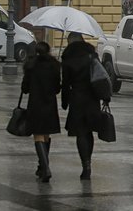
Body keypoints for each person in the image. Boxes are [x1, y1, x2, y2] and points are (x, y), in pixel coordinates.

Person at [61, 32, 108, 180]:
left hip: (77, 98)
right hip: (92, 98)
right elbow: (99, 75)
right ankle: (89, 163)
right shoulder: (91, 55)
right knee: (89, 132)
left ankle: (85, 165)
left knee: (80, 133)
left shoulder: (68, 58)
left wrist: (64, 101)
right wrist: (105, 96)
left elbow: (65, 83)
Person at [20, 41, 61, 183]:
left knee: (38, 136)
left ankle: (45, 168)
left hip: (35, 104)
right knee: (45, 135)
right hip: (49, 104)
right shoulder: (54, 66)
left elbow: (25, 88)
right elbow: (57, 88)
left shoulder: (31, 66)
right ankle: (42, 166)